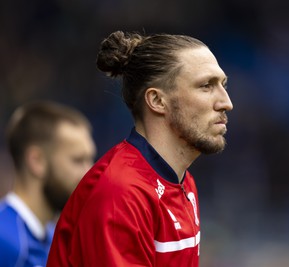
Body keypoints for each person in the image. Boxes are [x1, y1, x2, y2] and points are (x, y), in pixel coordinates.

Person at [46, 30, 233, 267]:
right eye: (206, 86)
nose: (226, 102)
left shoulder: (184, 183)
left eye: (223, 85)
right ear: (156, 101)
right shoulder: (121, 193)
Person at [0, 100, 96, 267]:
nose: (90, 174)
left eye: (90, 160)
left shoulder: (57, 241)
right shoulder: (4, 240)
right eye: (77, 160)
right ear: (37, 161)